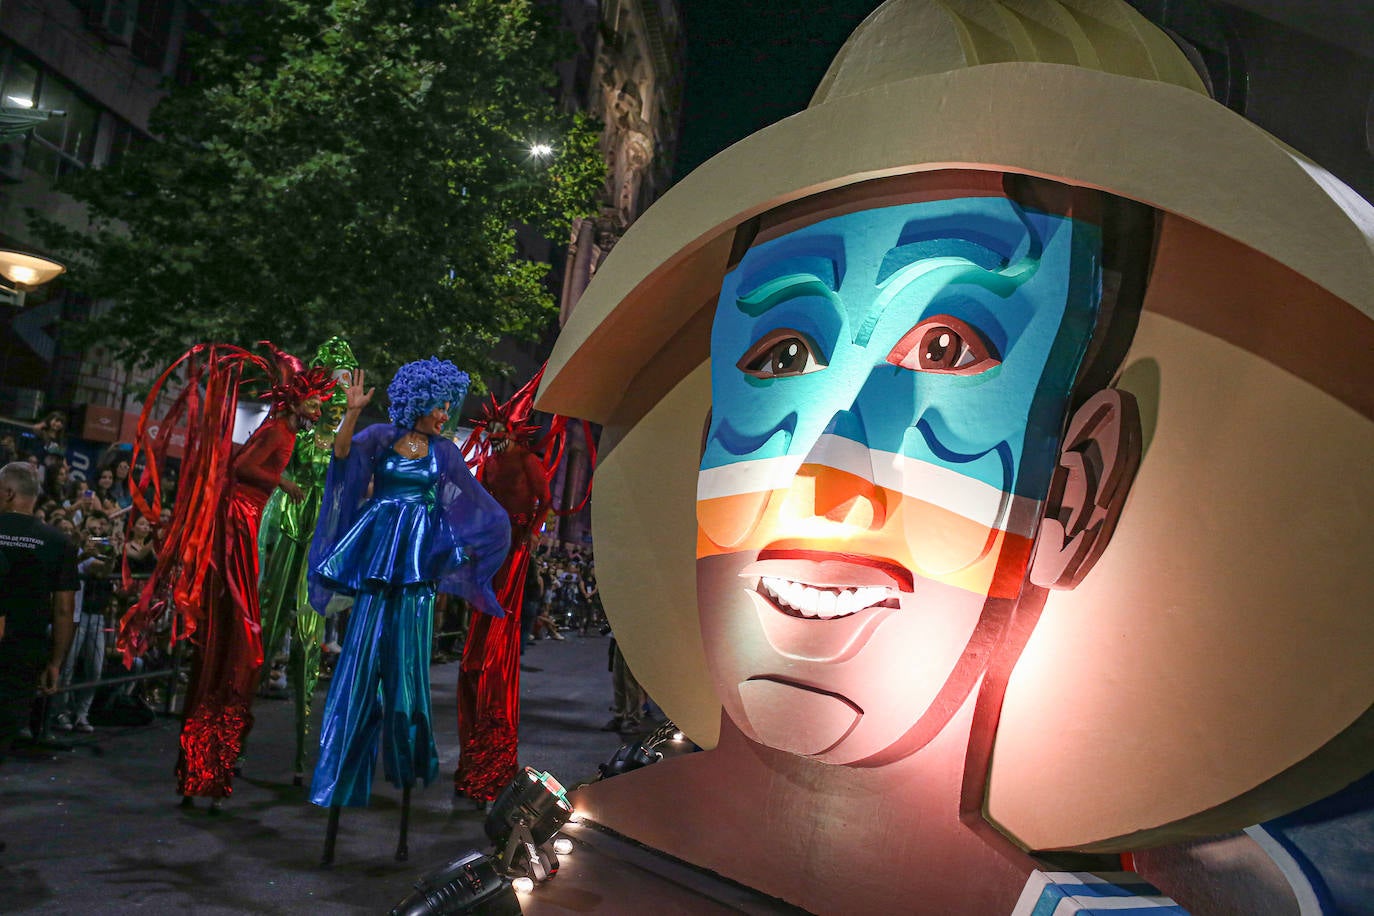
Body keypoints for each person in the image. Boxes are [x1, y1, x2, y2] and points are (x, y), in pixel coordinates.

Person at [118, 342, 335, 810]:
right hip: (237, 520)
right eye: (314, 400)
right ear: (296, 400)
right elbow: (242, 468)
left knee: (237, 639)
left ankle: (207, 764)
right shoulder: (280, 432)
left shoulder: (286, 432)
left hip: (245, 520)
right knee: (241, 637)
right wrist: (283, 483)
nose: (318, 408)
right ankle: (209, 761)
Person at [307, 358, 508, 862]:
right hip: (378, 562)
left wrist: (465, 544)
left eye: (448, 406)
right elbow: (342, 461)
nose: (445, 414)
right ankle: (340, 780)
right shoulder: (378, 437)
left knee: (407, 676)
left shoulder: (444, 452)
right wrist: (350, 414)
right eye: (441, 405)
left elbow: (470, 499)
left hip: (415, 572)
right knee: (358, 670)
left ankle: (406, 773)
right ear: (420, 400)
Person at [255, 336, 359, 786]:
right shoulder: (293, 431)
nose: (334, 401)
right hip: (291, 534)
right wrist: (282, 486)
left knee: (308, 645)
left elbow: (345, 469)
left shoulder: (337, 438)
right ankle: (230, 743)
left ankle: (303, 756)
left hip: (319, 543)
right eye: (332, 392)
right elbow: (265, 463)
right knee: (266, 632)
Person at [454, 385, 555, 803]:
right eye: (490, 427)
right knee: (478, 642)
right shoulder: (490, 464)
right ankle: (474, 755)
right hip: (491, 548)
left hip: (513, 549)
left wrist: (531, 533)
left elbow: (545, 501)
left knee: (499, 633)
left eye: (499, 427)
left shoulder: (528, 461)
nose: (493, 434)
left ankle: (492, 758)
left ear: (512, 430)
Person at [0, 462, 78, 762]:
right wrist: (56, 662)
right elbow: (63, 609)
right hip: (25, 651)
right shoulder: (59, 543)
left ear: (8, 493)